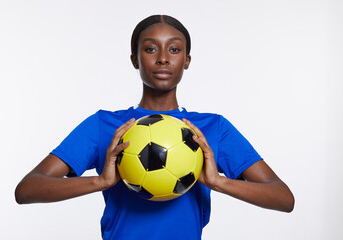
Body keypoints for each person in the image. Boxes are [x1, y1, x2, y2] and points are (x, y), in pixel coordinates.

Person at [15, 15, 294, 239]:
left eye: (174, 49)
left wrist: (217, 181)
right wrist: (102, 181)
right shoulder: (106, 125)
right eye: (150, 49)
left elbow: (283, 198)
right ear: (135, 59)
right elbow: (27, 190)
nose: (163, 58)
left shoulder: (212, 127)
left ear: (186, 61)